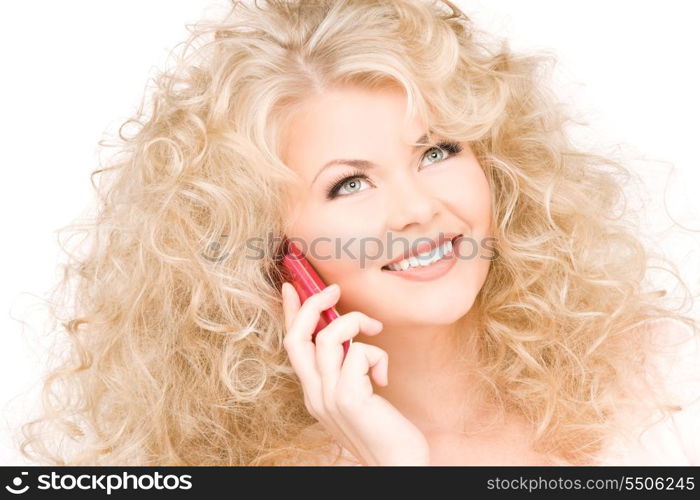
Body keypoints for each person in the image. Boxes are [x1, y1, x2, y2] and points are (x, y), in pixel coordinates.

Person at [20, 0, 699, 466]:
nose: (416, 209)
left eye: (436, 151)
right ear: (271, 249)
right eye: (350, 183)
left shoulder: (664, 380)